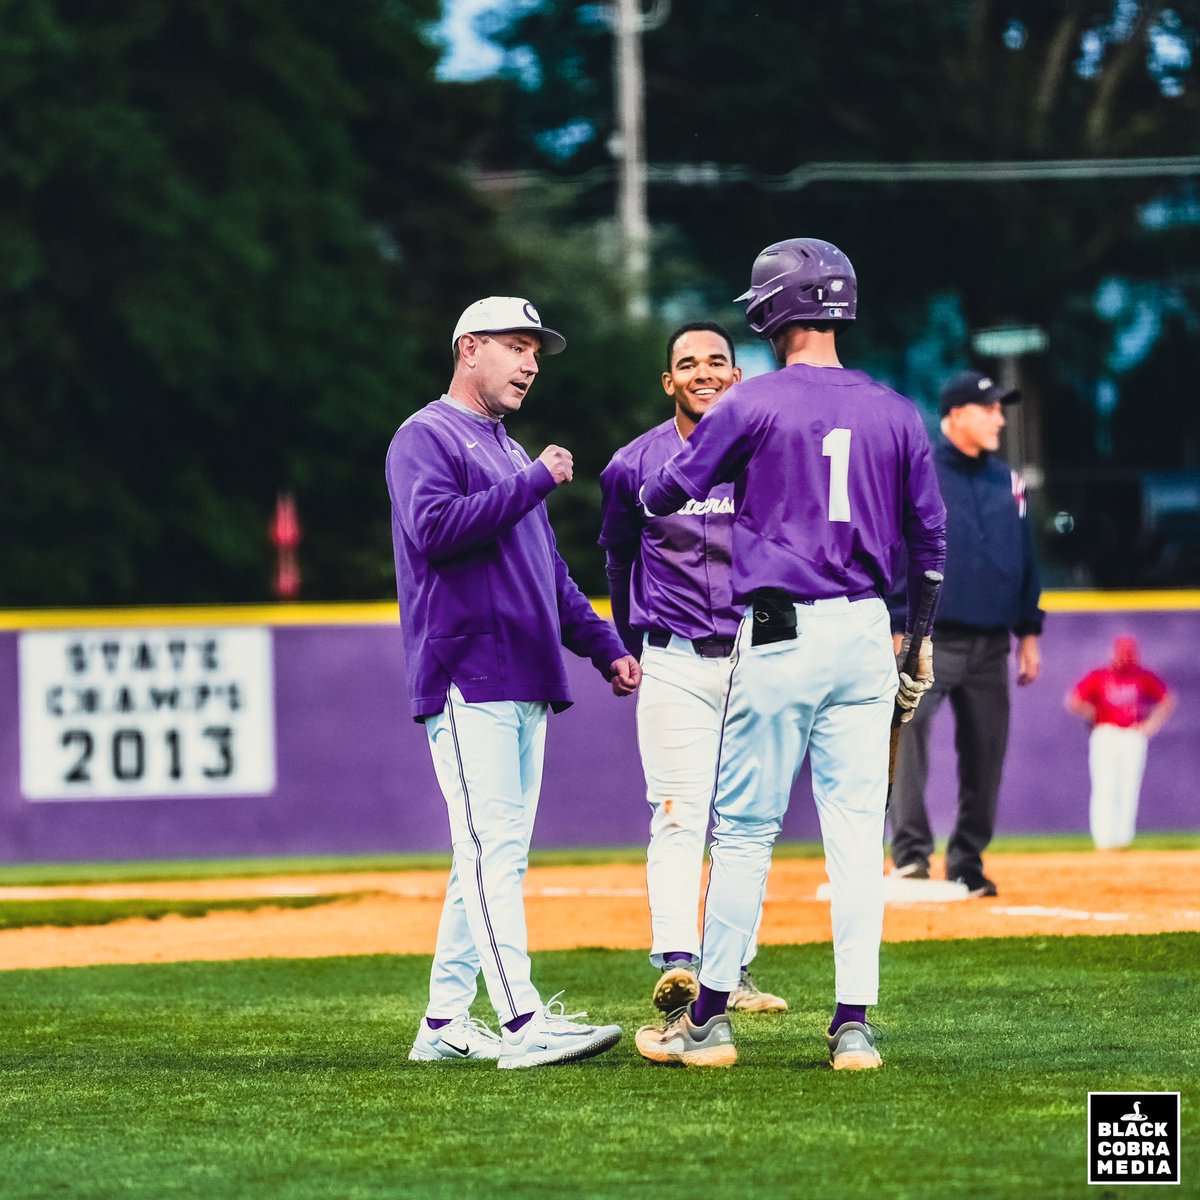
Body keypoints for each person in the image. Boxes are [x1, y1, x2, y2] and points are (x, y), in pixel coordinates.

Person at [632, 239, 947, 1070]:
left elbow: (662, 490)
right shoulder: (896, 408)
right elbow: (932, 542)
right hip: (868, 634)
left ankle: (707, 1022)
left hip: (780, 628)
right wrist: (916, 643)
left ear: (776, 309)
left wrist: (743, 462)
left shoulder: (755, 401)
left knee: (741, 832)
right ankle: (853, 1027)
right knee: (853, 837)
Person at [386, 295, 642, 1069]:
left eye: (536, 349)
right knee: (490, 851)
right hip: (468, 671)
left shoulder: (503, 449)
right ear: (468, 349)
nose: (531, 362)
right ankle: (523, 1022)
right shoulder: (424, 436)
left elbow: (547, 574)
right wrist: (533, 481)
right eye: (515, 345)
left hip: (525, 672)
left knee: (491, 855)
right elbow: (434, 530)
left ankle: (442, 1024)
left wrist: (603, 644)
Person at [598, 321, 788, 1017]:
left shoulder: (770, 457)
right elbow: (617, 557)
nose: (703, 371)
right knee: (678, 815)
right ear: (668, 381)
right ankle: (680, 962)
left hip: (757, 652)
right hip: (674, 657)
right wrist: (626, 641)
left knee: (747, 820)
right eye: (687, 363)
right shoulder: (631, 465)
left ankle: (731, 974)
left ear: (738, 376)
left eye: (717, 361)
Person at [887, 370, 1044, 898]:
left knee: (986, 753)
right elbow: (893, 549)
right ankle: (910, 856)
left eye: (1001, 408)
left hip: (991, 644)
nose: (1000, 417)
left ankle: (967, 861)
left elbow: (1025, 558)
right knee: (909, 741)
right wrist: (895, 623)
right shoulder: (919, 472)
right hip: (927, 639)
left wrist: (1029, 632)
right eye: (990, 408)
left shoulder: (1009, 481)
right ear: (956, 415)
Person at [1066, 635, 1174, 850]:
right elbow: (1074, 700)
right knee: (1105, 786)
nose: (1125, 658)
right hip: (1107, 732)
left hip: (1133, 734)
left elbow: (1166, 700)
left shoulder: (1141, 676)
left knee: (1128, 788)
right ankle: (1104, 840)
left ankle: (1123, 840)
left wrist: (1150, 724)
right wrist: (1094, 714)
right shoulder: (1101, 675)